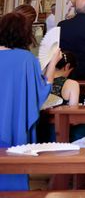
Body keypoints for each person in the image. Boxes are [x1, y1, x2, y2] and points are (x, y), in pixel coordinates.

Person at [0, 12, 59, 191]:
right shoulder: (26, 59)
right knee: (13, 171)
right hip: (13, 124)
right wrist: (52, 64)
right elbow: (40, 93)